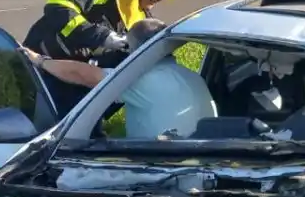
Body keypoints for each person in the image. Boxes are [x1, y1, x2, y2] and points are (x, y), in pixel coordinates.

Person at [23, 0, 187, 117]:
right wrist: (101, 36)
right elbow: (57, 6)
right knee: (35, 121)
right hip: (44, 64)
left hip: (78, 80)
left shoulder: (141, 19)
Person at [20, 18, 218, 139]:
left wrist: (40, 61)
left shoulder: (143, 81)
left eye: (128, 48)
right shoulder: (193, 77)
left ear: (138, 50)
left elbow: (83, 74)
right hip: (203, 158)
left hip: (161, 164)